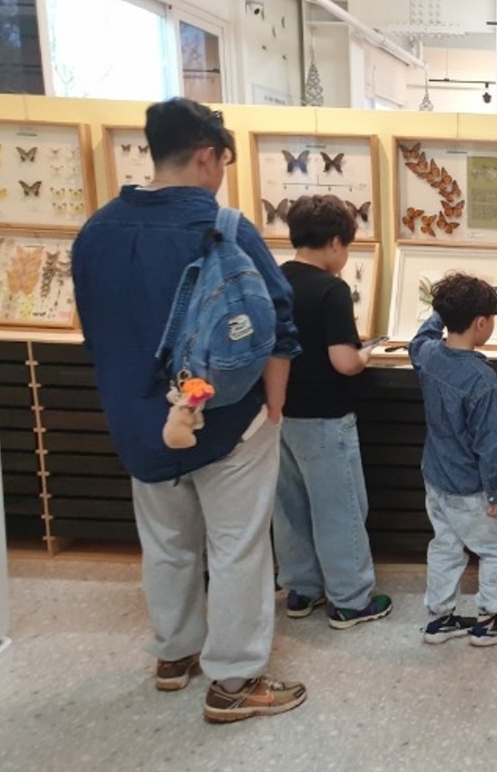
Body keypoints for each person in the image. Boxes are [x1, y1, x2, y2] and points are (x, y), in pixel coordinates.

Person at [71, 98, 307, 723]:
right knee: (237, 547)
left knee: (166, 543)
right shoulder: (225, 228)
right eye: (223, 160)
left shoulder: (96, 232)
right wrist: (274, 405)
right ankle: (235, 681)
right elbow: (278, 323)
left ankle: (174, 656)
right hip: (229, 418)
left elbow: (95, 330)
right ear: (207, 155)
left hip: (142, 422)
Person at [273, 195, 392, 630]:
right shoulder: (331, 289)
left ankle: (301, 589)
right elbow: (343, 361)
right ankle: (351, 600)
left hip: (279, 415)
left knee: (290, 508)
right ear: (337, 242)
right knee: (339, 509)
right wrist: (367, 352)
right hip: (324, 417)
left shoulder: (274, 278)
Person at [408, 273, 497, 646]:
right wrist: (494, 491)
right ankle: (489, 622)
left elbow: (418, 340)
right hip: (471, 486)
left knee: (445, 546)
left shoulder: (428, 355)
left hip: (435, 477)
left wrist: (441, 313)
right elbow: (490, 442)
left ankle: (440, 618)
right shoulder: (480, 378)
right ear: (481, 323)